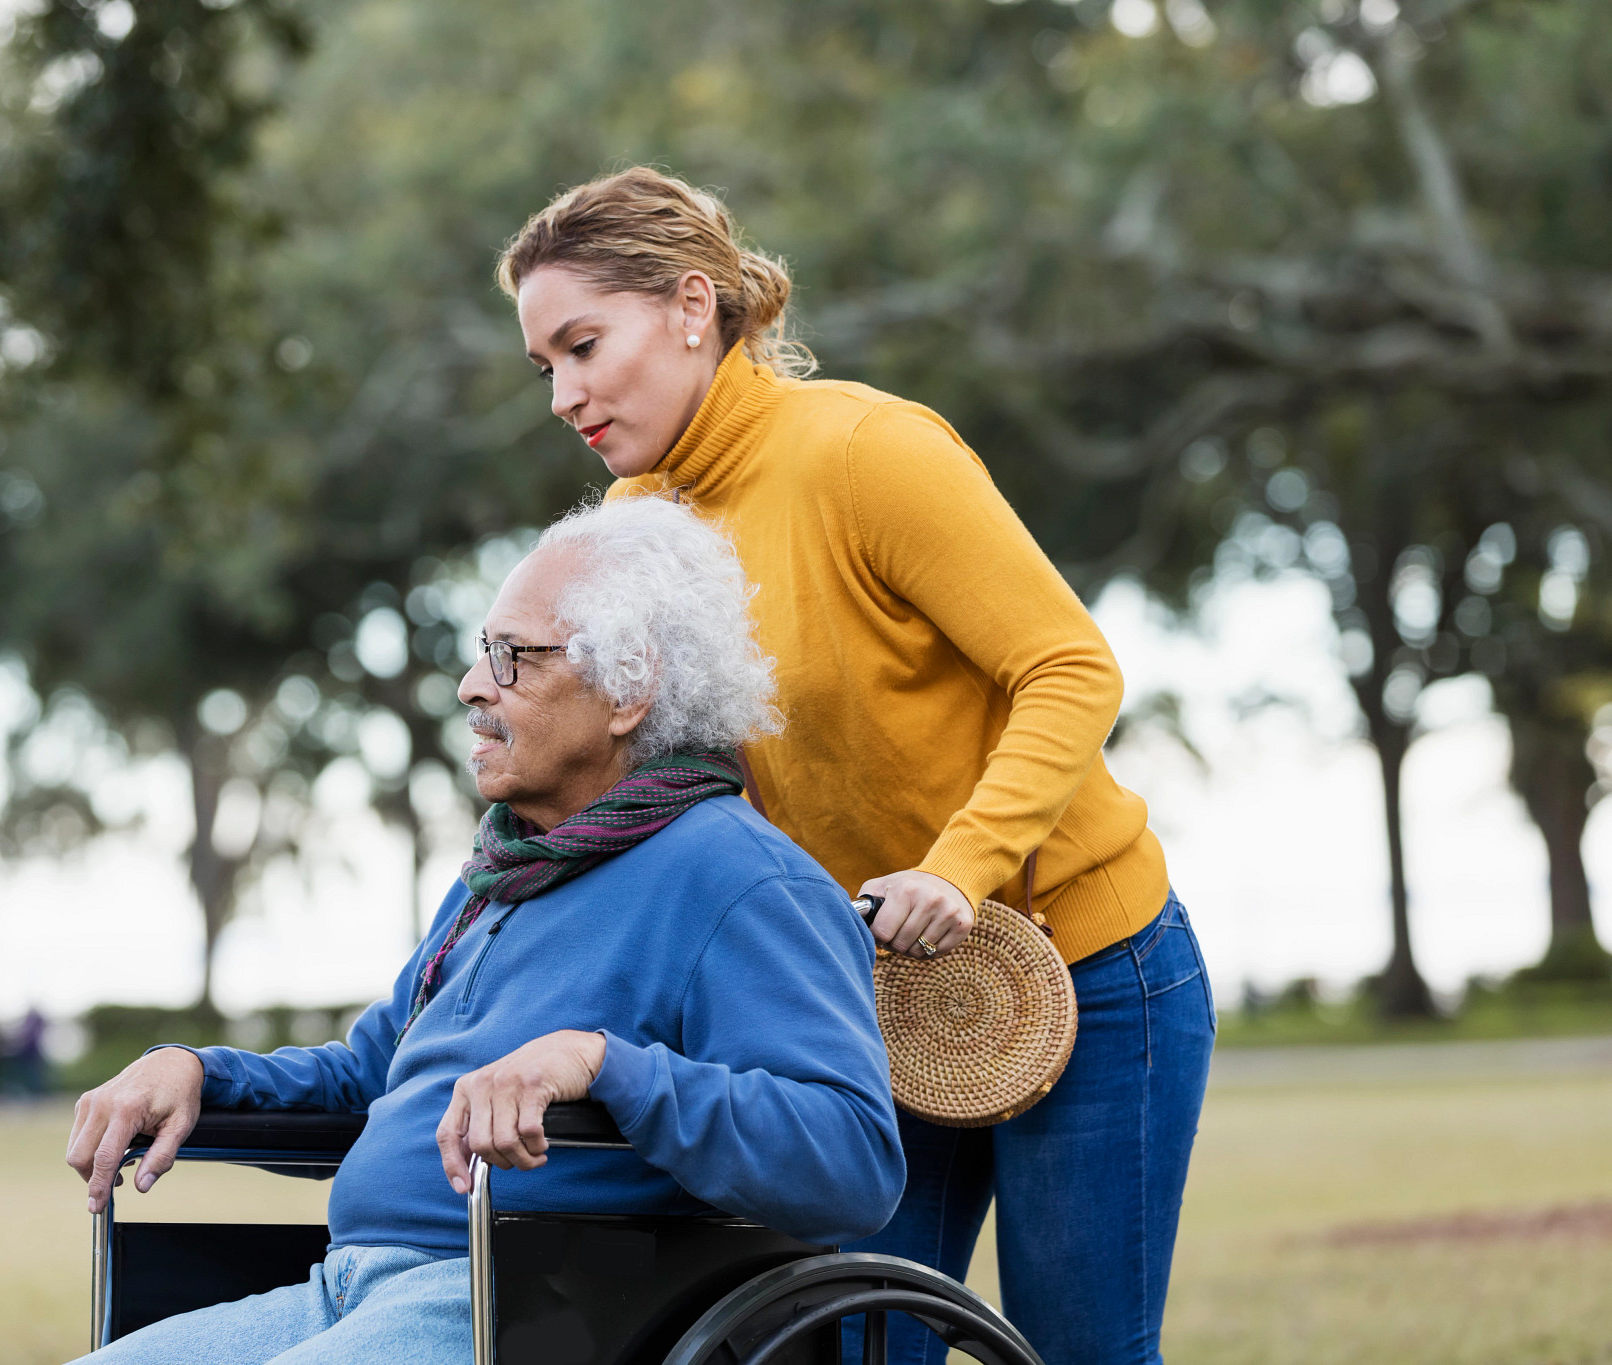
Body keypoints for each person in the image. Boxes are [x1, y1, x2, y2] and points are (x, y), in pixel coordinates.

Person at [497, 167, 1217, 1365]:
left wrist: (959, 866)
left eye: (582, 345)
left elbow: (1068, 668)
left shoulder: (867, 451)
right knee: (853, 1347)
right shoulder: (630, 528)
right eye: (544, 368)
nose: (564, 394)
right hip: (865, 1002)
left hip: (1091, 974)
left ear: (689, 306)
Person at [61, 496, 905, 1365]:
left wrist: (602, 1062)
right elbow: (370, 1079)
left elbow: (851, 1158)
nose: (472, 686)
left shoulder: (741, 879)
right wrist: (199, 1072)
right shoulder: (504, 873)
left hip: (530, 1305)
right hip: (345, 1288)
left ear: (628, 687)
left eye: (513, 658)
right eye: (481, 654)